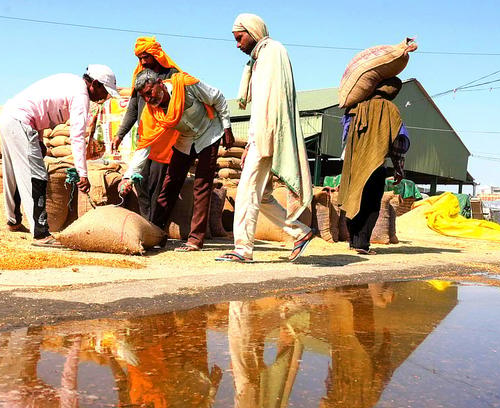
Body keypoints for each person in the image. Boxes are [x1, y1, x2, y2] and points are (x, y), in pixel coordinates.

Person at [217, 13, 314, 263]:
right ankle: (300, 233)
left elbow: (267, 103)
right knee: (262, 196)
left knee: (246, 192)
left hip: (267, 135)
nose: (237, 45)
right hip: (264, 135)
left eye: (239, 38)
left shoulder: (272, 52)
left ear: (253, 32)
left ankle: (243, 249)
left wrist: (256, 141)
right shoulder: (261, 56)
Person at [0, 65, 119, 247]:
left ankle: (13, 220)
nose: (104, 96)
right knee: (37, 176)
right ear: (95, 83)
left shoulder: (70, 81)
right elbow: (77, 137)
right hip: (21, 121)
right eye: (104, 90)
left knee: (13, 173)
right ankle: (40, 234)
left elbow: (39, 107)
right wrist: (83, 173)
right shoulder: (81, 95)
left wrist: (39, 139)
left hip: (9, 116)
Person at [131, 69, 234, 251]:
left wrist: (227, 127)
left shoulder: (185, 85)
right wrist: (129, 175)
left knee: (201, 185)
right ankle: (155, 234)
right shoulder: (151, 112)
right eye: (143, 96)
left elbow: (217, 97)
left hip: (209, 134)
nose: (148, 99)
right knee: (170, 183)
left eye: (149, 92)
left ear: (160, 84)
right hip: (185, 140)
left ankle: (195, 240)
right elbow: (145, 144)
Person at [337, 77, 410, 255]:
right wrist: (399, 168)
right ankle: (362, 244)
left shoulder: (356, 106)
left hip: (353, 165)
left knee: (353, 200)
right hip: (375, 165)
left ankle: (353, 241)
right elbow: (398, 141)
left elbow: (345, 132)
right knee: (370, 206)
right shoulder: (390, 109)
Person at [113, 36, 182, 222]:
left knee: (157, 183)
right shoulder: (140, 77)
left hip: (165, 141)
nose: (143, 62)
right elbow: (133, 108)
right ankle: (146, 222)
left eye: (146, 57)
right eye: (139, 58)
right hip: (145, 136)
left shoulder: (172, 75)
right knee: (140, 180)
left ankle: (155, 226)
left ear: (155, 54)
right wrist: (120, 134)